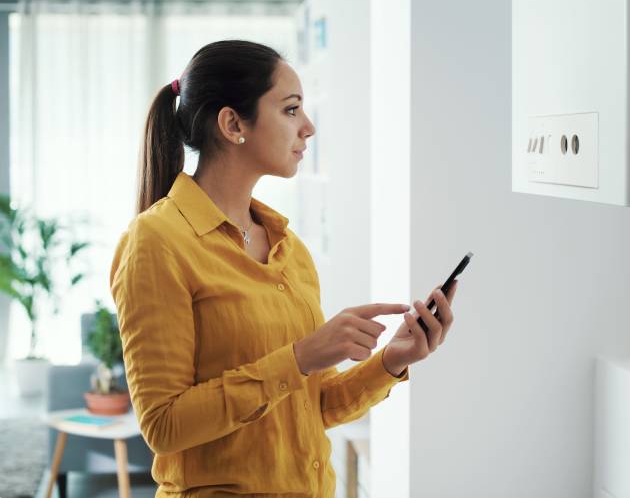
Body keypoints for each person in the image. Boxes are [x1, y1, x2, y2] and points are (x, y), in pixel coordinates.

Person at [109, 40, 458, 498]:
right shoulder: (156, 242)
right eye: (291, 109)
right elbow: (164, 425)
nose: (308, 128)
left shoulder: (289, 249)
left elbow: (314, 406)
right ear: (233, 123)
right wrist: (298, 358)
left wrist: (392, 361)